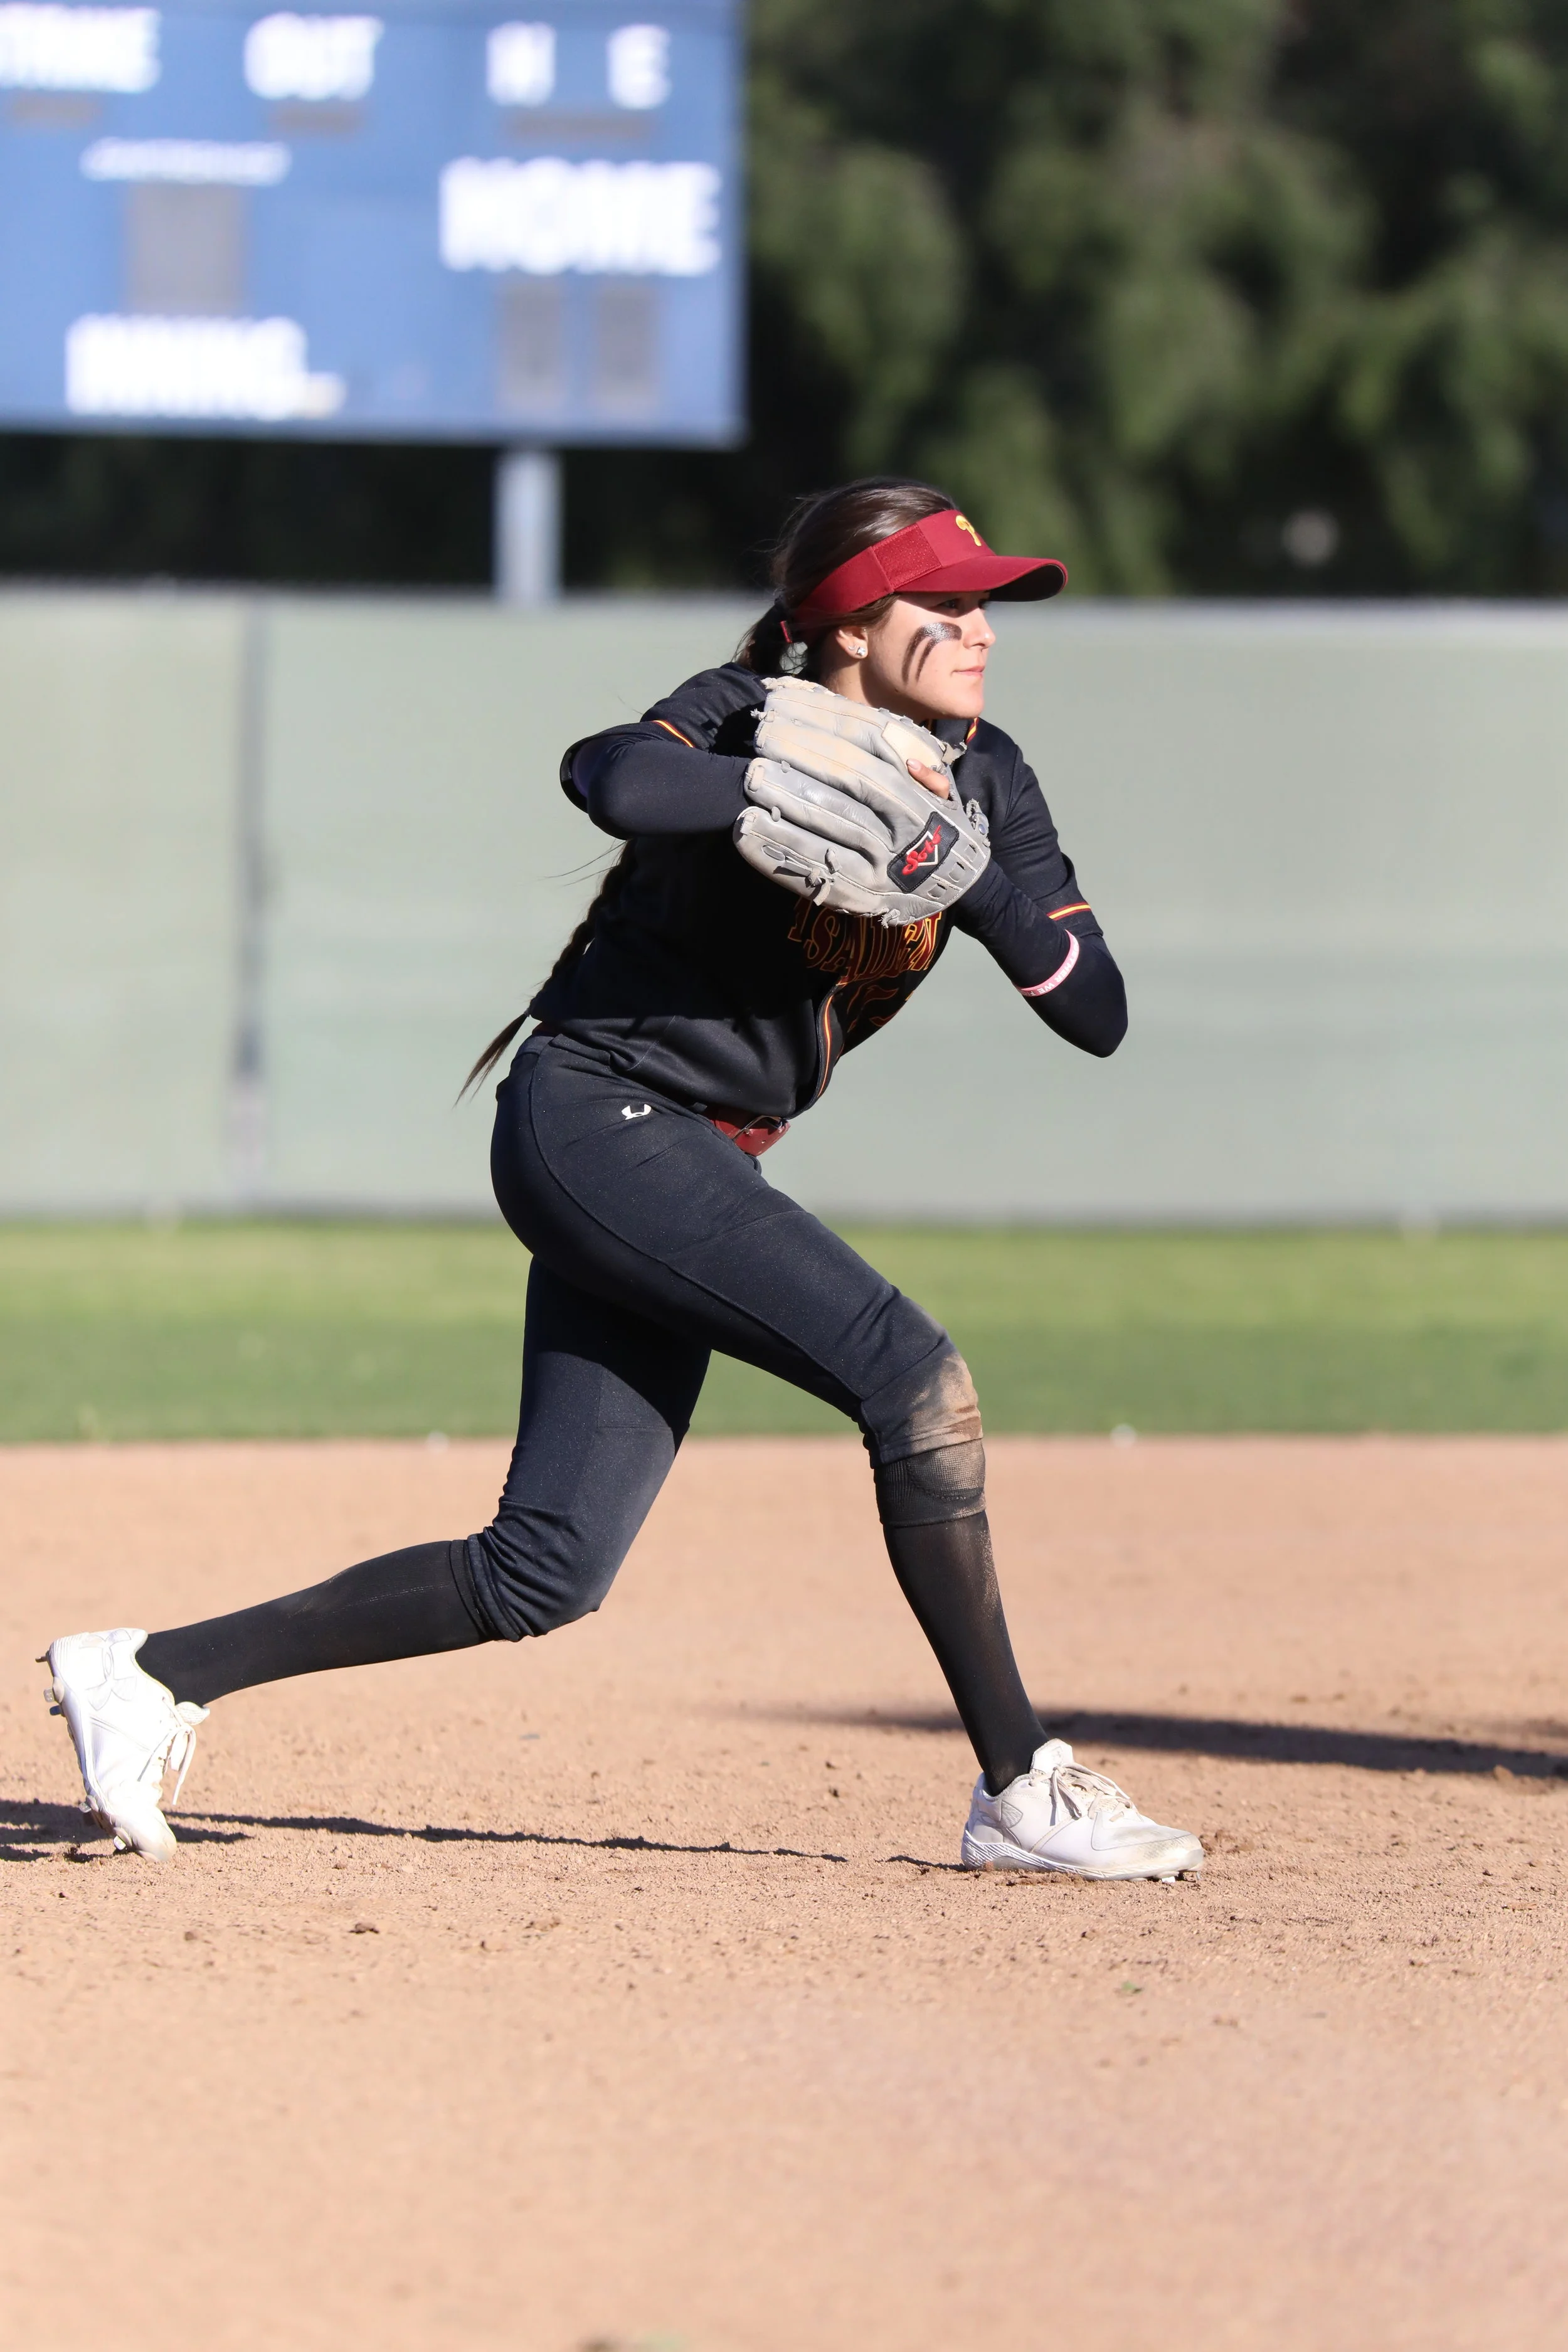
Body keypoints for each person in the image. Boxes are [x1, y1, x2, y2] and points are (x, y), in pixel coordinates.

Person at [43, 477, 1203, 1882]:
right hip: (595, 1123)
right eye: (946, 601)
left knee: (543, 1569)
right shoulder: (740, 709)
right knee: (911, 1375)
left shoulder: (986, 776)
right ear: (846, 622)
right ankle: (1019, 1786)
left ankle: (150, 1672)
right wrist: (776, 784)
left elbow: (1094, 1009)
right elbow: (609, 776)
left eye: (986, 605)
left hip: (693, 1159)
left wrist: (965, 878)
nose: (980, 629)